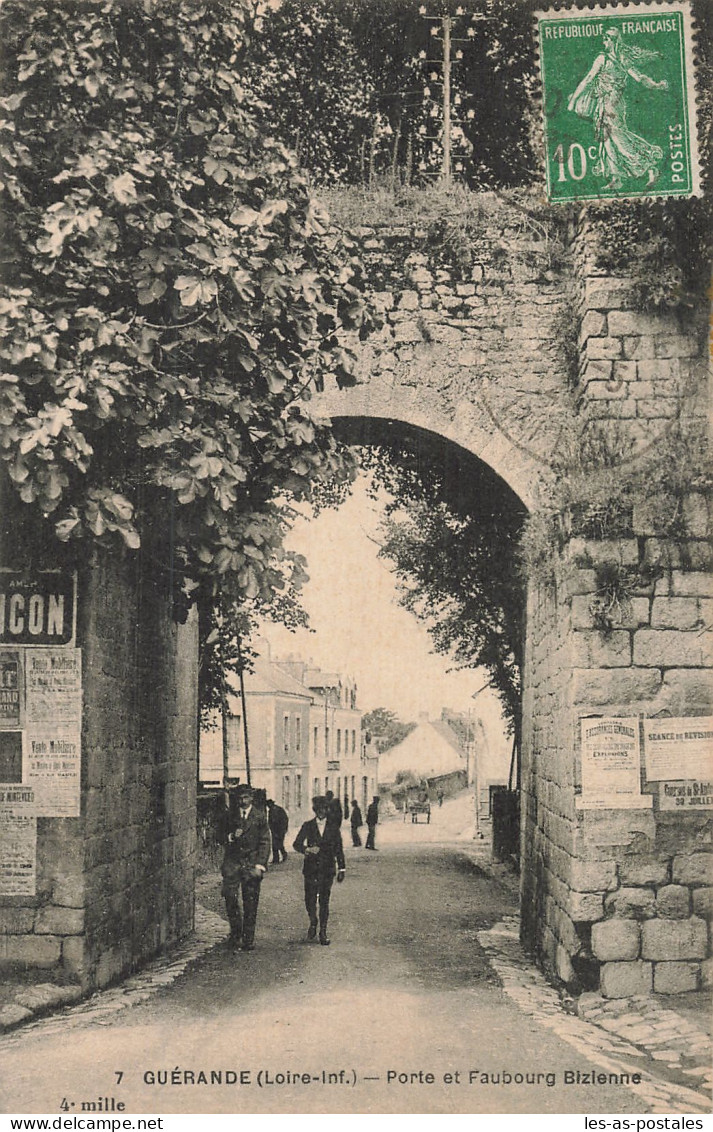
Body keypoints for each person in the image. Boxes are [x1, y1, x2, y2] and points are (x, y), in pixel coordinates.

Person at [567, 27, 668, 190]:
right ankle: (616, 177)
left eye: (606, 39)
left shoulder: (607, 58)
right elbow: (589, 79)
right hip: (606, 102)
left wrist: (573, 100)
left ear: (612, 40)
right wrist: (656, 85)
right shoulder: (612, 58)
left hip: (613, 104)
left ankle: (649, 167)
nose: (604, 42)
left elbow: (638, 77)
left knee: (619, 137)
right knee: (605, 138)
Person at [220, 783, 270, 951]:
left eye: (246, 797)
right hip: (233, 864)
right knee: (230, 898)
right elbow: (219, 835)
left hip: (251, 864)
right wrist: (231, 836)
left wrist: (260, 865)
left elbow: (265, 842)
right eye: (240, 798)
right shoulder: (230, 815)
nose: (243, 801)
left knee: (250, 902)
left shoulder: (259, 816)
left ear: (251, 798)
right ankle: (236, 933)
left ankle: (248, 938)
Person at [293, 796, 345, 945]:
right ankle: (313, 921)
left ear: (327, 810)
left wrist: (342, 868)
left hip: (327, 869)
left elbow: (339, 849)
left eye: (324, 809)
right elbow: (296, 844)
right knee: (309, 899)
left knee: (324, 901)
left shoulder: (333, 827)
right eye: (318, 809)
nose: (321, 812)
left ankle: (323, 931)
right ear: (315, 810)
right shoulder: (308, 826)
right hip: (311, 869)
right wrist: (307, 849)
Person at [266, 798, 289, 864]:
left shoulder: (277, 810)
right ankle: (277, 858)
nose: (268, 806)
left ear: (271, 804)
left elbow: (284, 819)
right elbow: (270, 821)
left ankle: (282, 856)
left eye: (269, 804)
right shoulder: (273, 810)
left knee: (278, 844)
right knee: (276, 845)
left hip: (279, 830)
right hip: (276, 830)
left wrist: (283, 829)